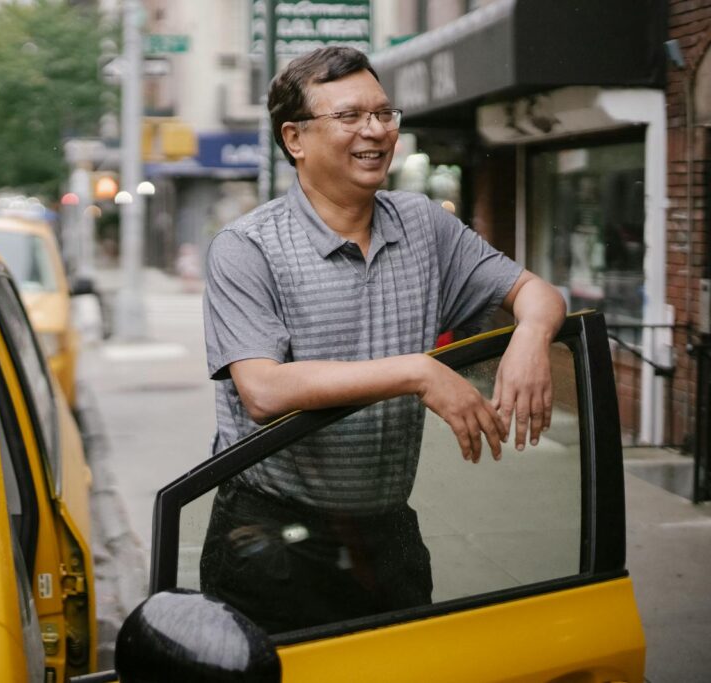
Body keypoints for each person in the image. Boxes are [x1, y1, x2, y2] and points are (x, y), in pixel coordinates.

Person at [199, 46, 566, 634]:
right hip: (272, 537)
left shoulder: (423, 224)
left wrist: (531, 335)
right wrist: (419, 372)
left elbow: (538, 293)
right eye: (350, 117)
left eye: (384, 114)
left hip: (387, 531)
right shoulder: (247, 247)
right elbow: (262, 390)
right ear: (294, 138)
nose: (375, 131)